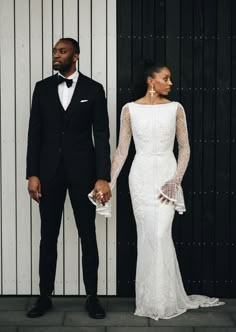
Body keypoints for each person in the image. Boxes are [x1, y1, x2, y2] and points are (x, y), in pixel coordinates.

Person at [95, 61, 224, 320]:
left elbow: (185, 148)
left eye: (170, 79)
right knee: (147, 236)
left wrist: (175, 180)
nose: (171, 83)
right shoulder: (129, 109)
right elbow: (121, 151)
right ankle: (149, 301)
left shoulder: (176, 108)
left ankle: (165, 301)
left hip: (167, 176)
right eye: (166, 78)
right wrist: (109, 182)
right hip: (140, 177)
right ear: (150, 81)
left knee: (161, 233)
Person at [26, 38, 111, 319]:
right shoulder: (42, 88)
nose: (56, 55)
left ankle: (92, 298)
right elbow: (34, 134)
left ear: (75, 56)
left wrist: (102, 177)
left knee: (88, 235)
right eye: (54, 51)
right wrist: (33, 174)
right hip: (49, 173)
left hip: (83, 173)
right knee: (47, 237)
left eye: (61, 51)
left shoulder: (93, 90)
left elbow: (101, 136)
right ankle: (44, 297)